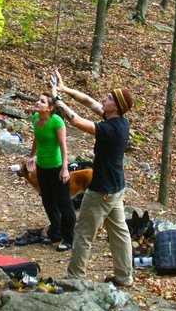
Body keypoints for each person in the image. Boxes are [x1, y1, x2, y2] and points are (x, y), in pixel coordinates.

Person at [50, 69, 135, 287]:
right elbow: (88, 101)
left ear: (115, 106)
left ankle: (75, 278)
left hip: (102, 191)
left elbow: (76, 121)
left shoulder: (110, 129)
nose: (103, 100)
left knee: (83, 233)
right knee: (119, 233)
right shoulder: (120, 121)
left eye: (108, 98)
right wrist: (63, 87)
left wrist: (56, 99)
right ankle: (125, 277)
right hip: (116, 188)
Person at [26, 93, 75, 252]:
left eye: (42, 101)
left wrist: (65, 168)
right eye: (38, 100)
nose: (37, 102)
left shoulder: (57, 121)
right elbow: (36, 138)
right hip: (42, 167)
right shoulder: (35, 118)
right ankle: (56, 232)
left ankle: (69, 239)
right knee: (47, 201)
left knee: (64, 204)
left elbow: (63, 146)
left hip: (57, 167)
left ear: (50, 108)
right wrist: (32, 156)